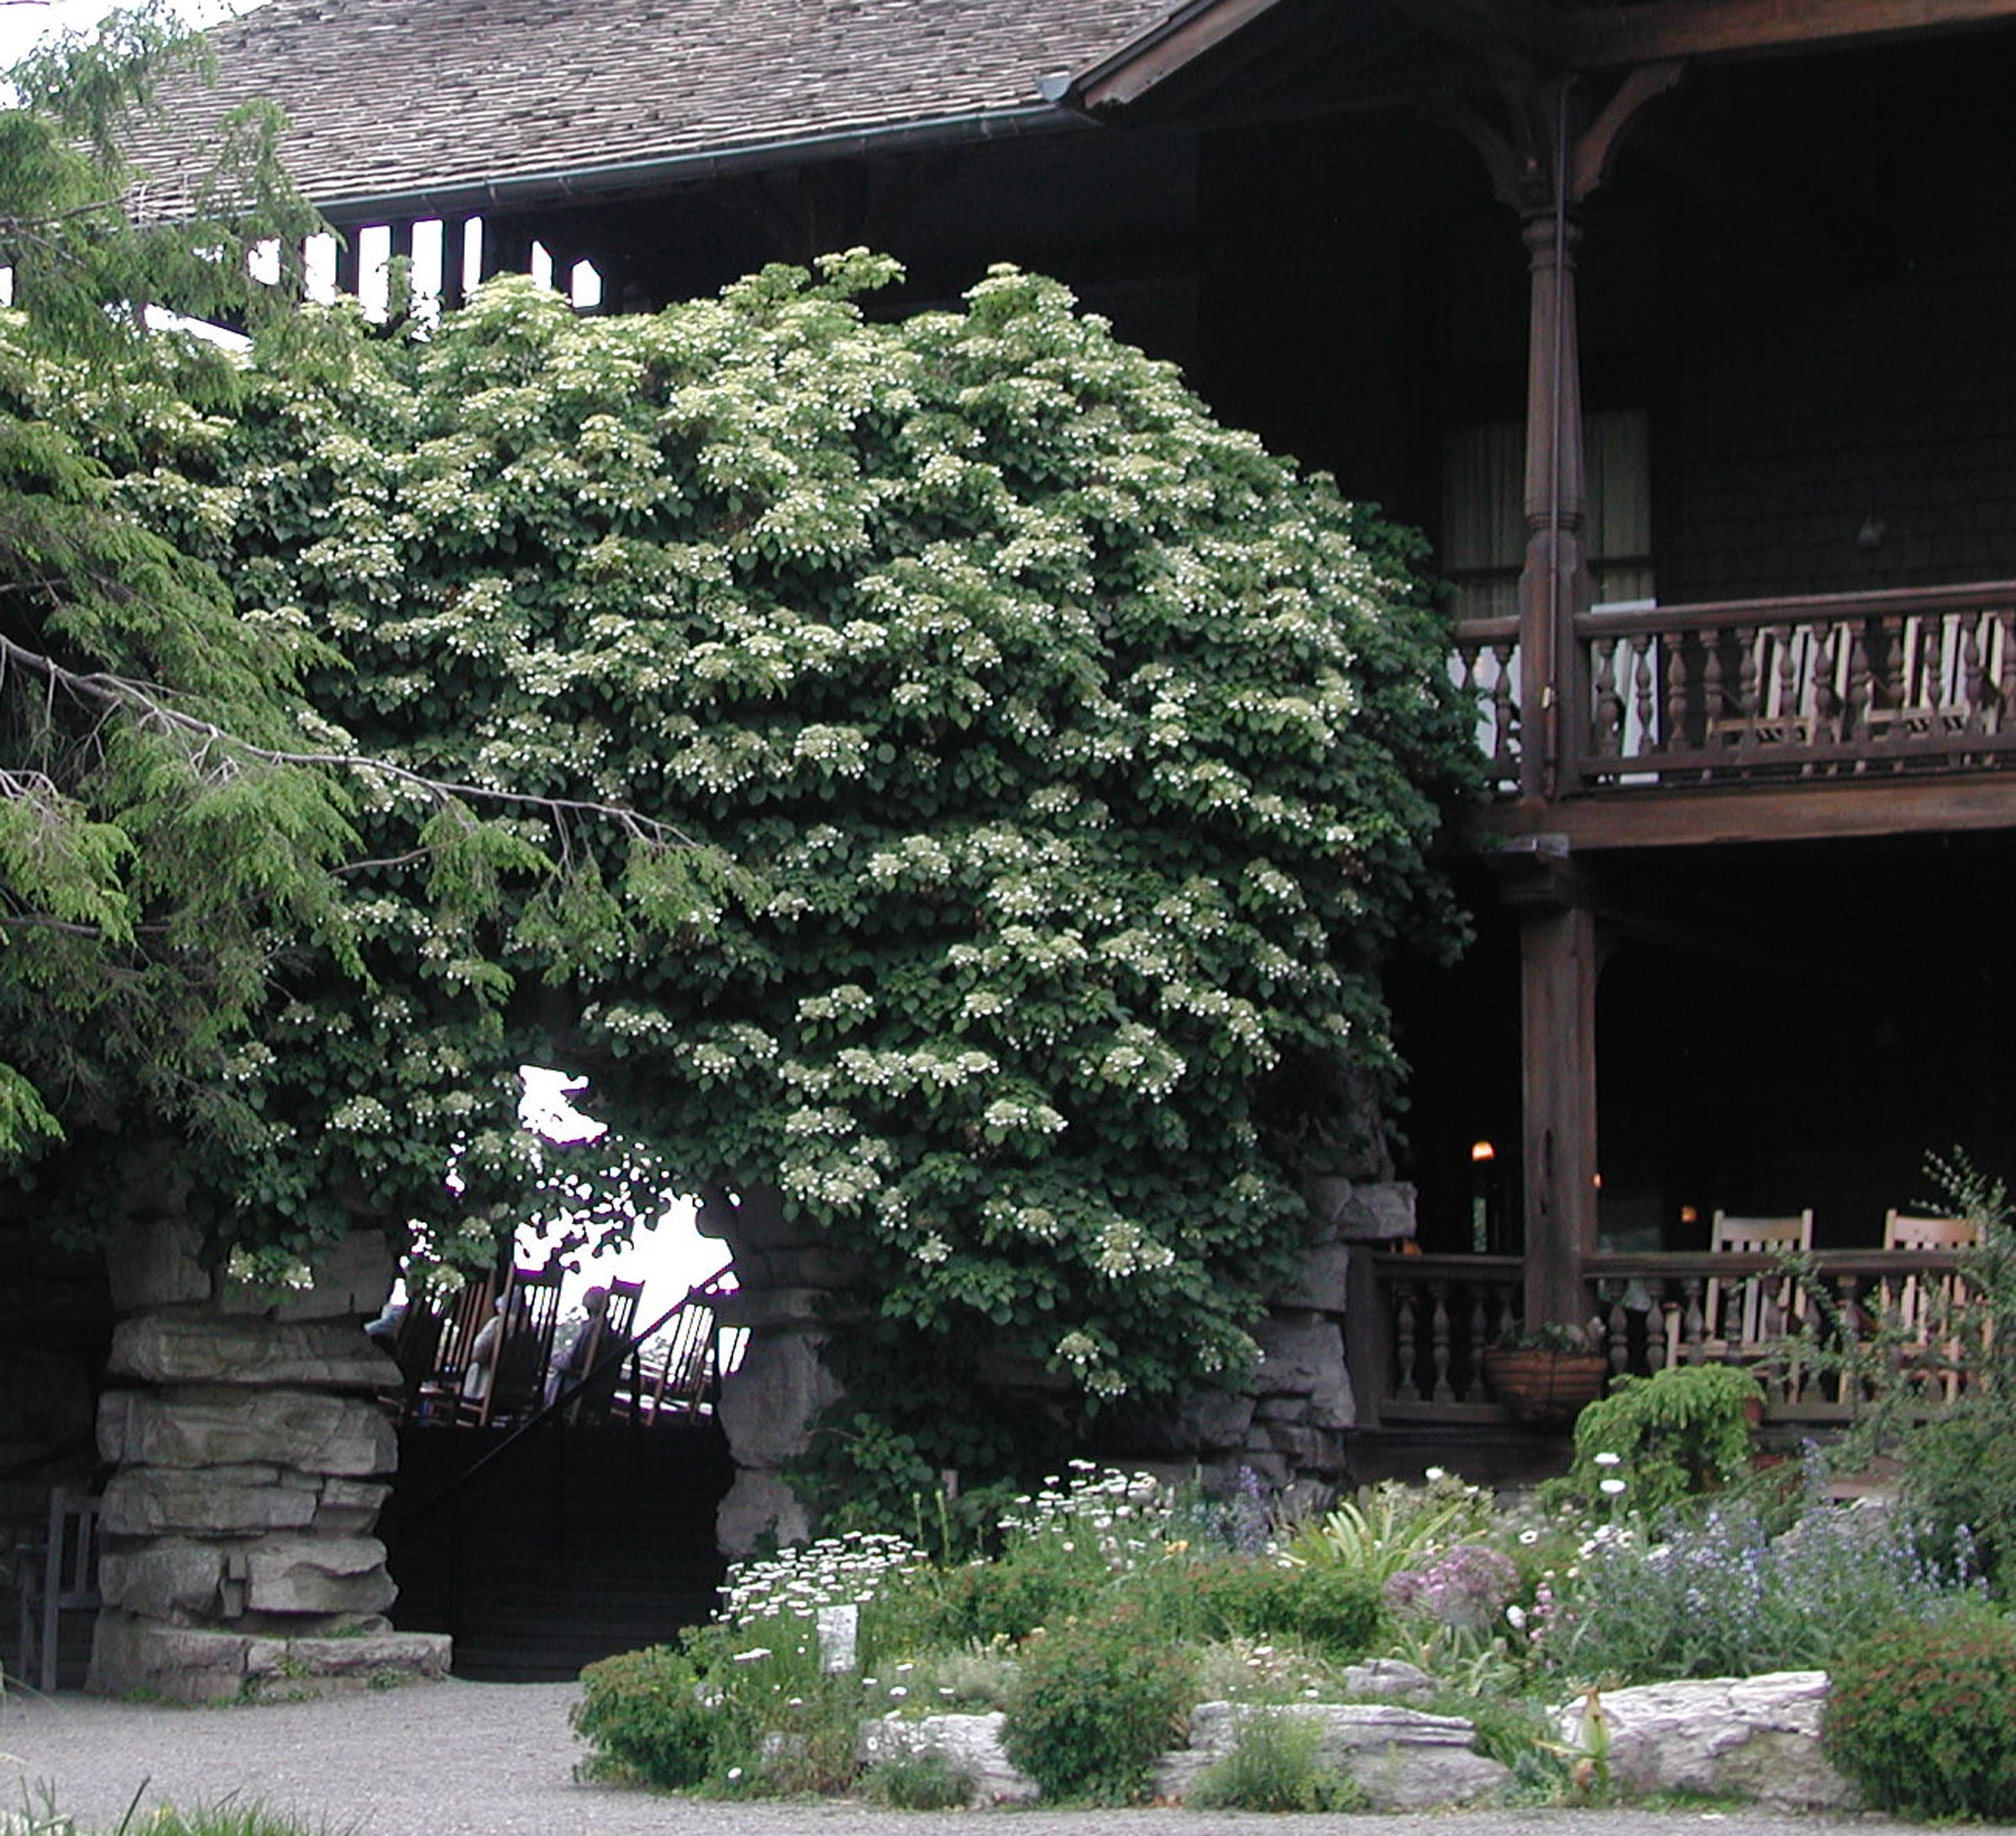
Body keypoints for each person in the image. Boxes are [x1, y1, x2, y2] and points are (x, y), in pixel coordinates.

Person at [546, 1285, 610, 1406]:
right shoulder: (607, 1328)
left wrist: (553, 1358)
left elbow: (573, 1362)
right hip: (598, 1387)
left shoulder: (591, 1329)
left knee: (548, 1381)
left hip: (577, 1386)